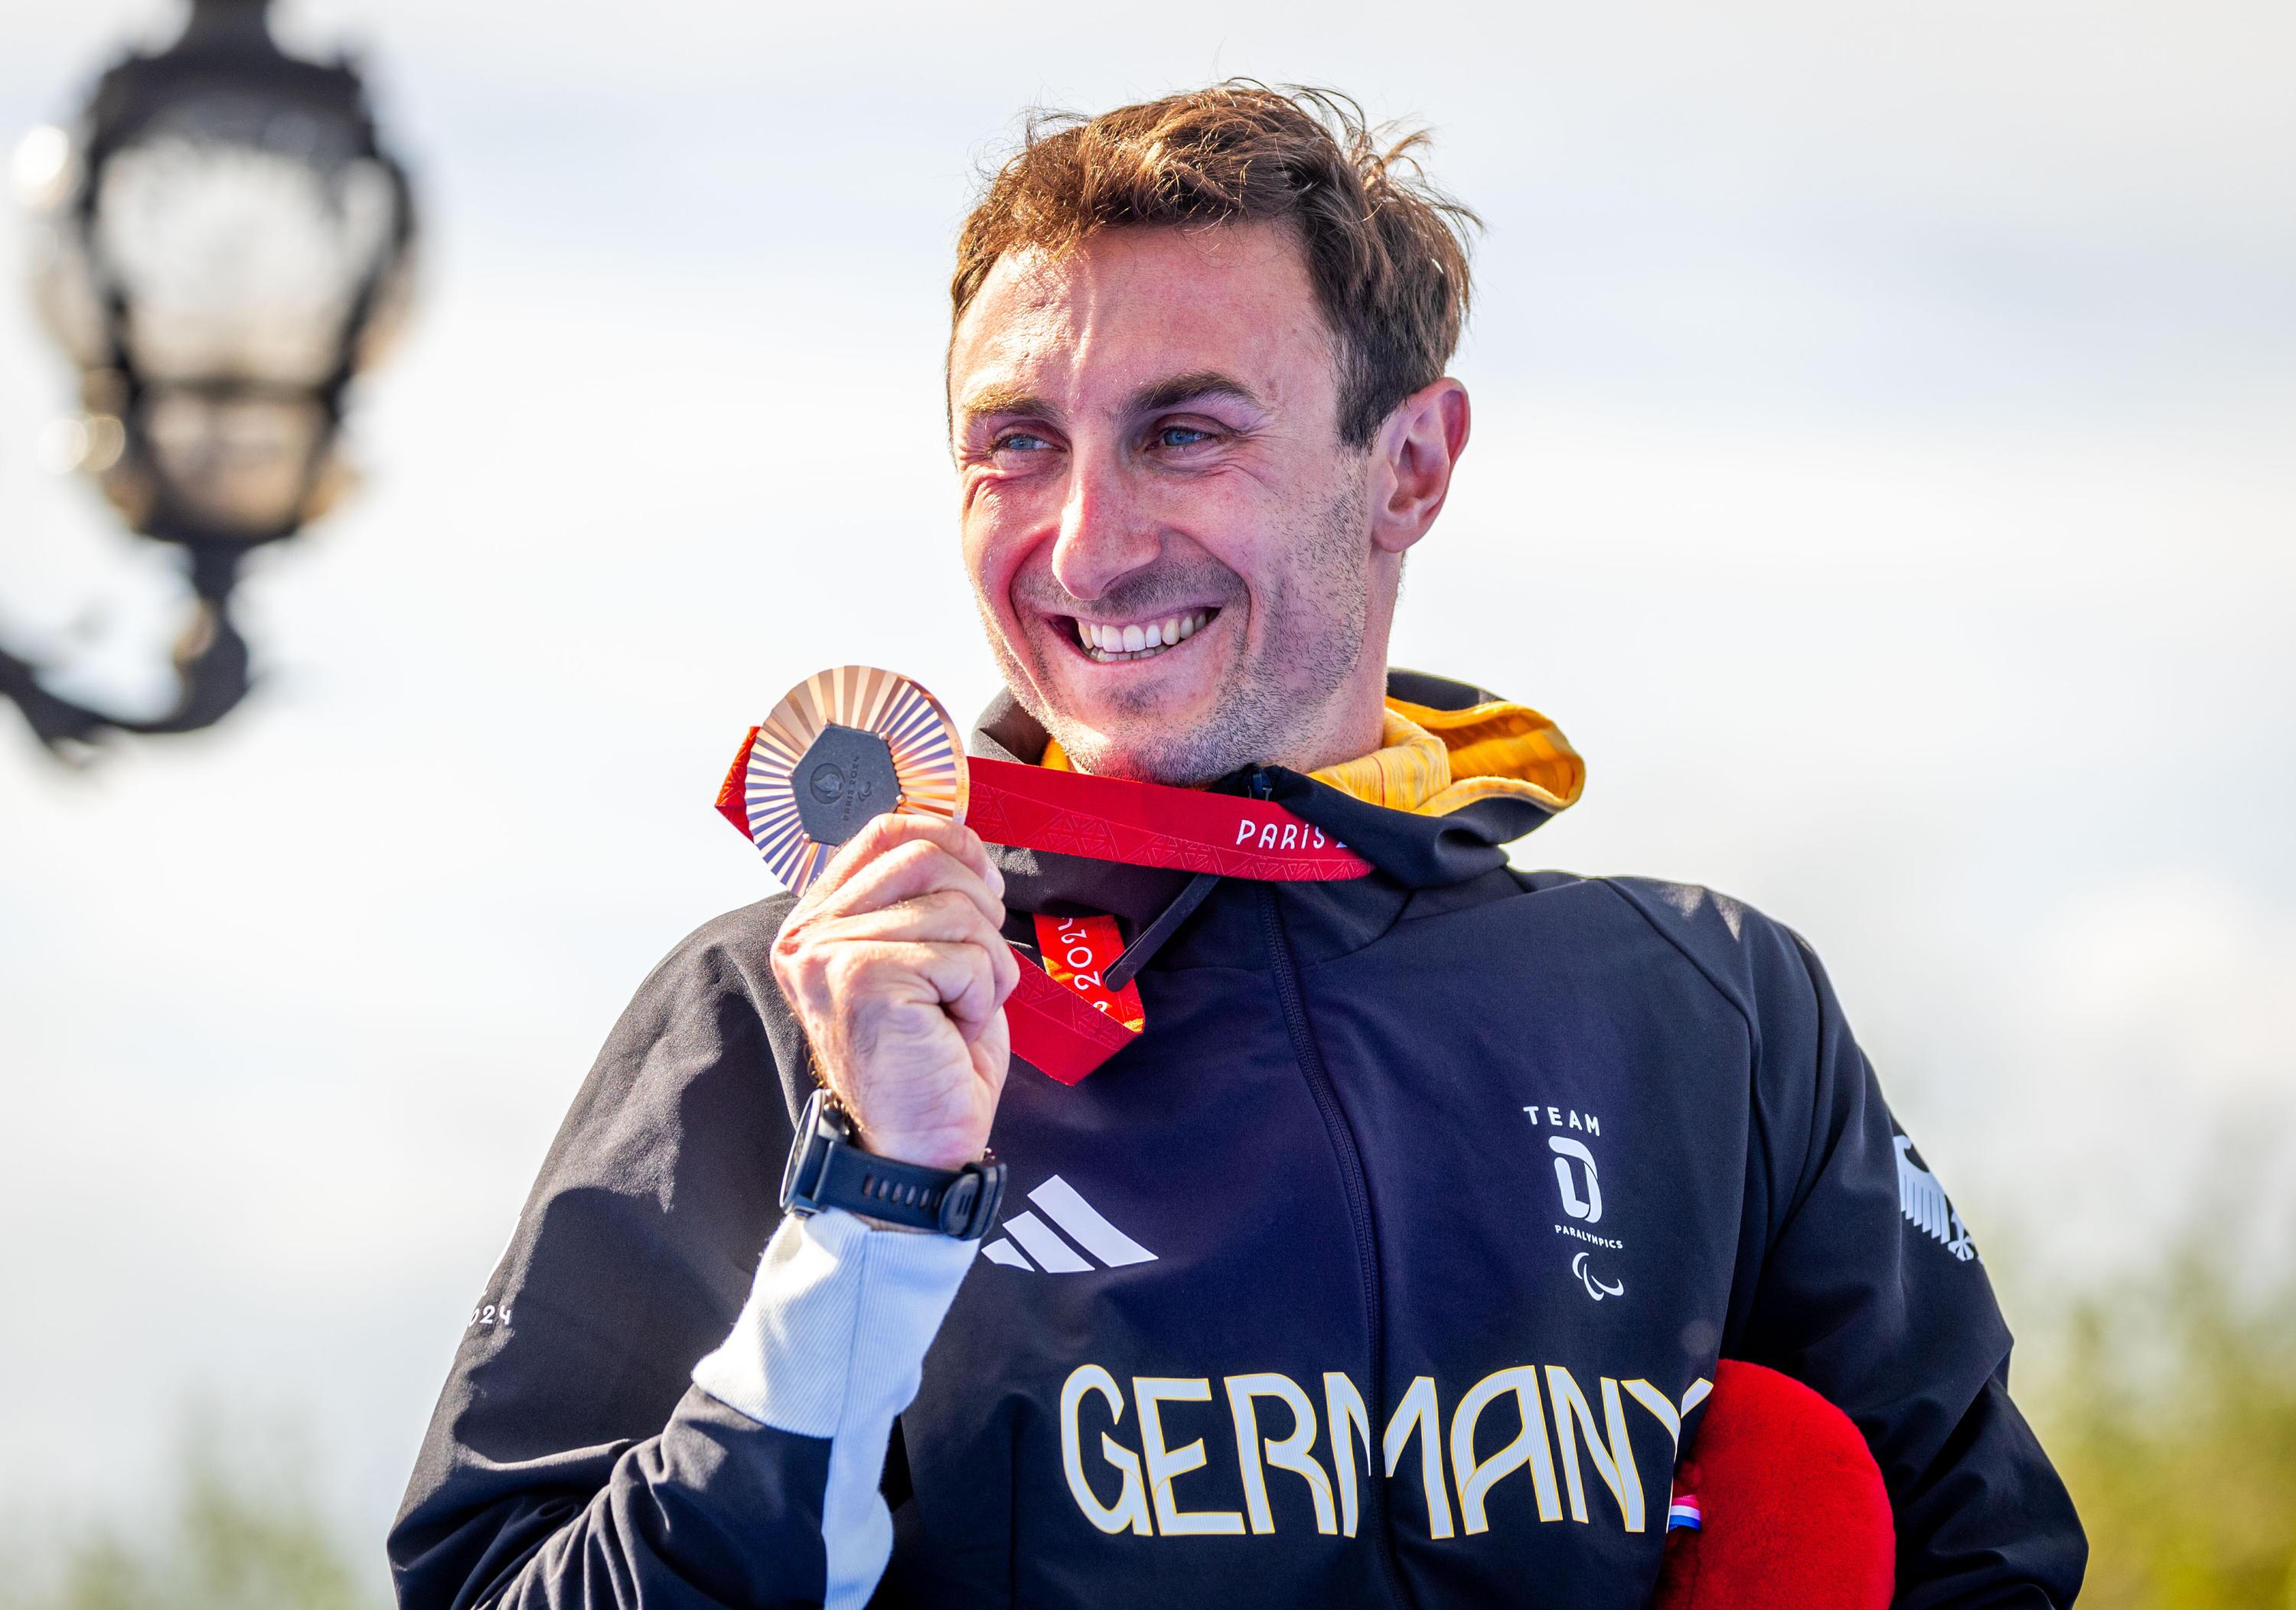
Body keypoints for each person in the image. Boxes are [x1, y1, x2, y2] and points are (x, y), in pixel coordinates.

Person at [390, 84, 2086, 1609]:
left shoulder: (1707, 1012)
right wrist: (873, 1220)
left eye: (1184, 432)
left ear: (1408, 466)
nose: (1087, 546)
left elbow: (1981, 1563)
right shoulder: (790, 1009)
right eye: (1015, 444)